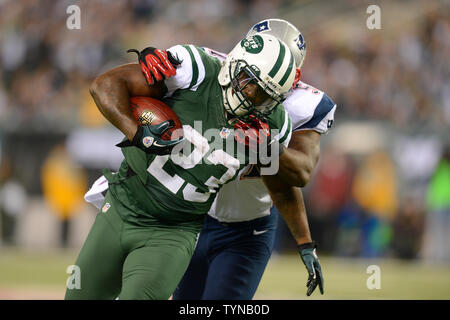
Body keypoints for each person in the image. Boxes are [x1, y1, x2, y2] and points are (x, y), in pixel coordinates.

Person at [65, 33, 297, 299]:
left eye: (264, 95)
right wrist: (138, 134)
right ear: (234, 64)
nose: (251, 96)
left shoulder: (273, 125)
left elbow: (287, 183)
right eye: (249, 83)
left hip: (173, 232)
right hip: (122, 206)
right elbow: (104, 85)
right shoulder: (195, 70)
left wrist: (270, 149)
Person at [172, 19, 336, 299]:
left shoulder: (301, 107)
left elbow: (300, 174)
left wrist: (268, 147)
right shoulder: (211, 71)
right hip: (192, 216)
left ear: (292, 77)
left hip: (247, 231)